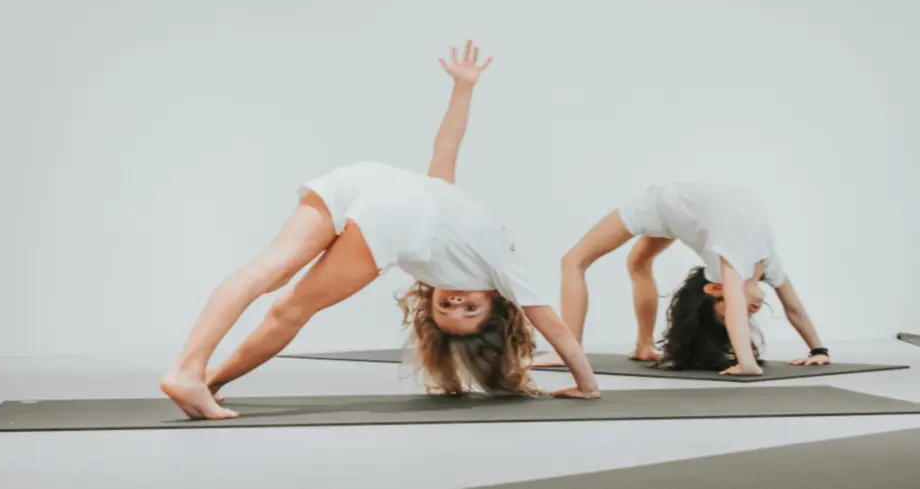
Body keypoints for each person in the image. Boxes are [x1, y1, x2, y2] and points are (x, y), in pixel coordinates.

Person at [161, 41, 600, 419]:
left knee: (271, 270)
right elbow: (557, 329)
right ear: (498, 305)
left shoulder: (455, 237)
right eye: (470, 312)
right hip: (396, 209)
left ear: (431, 306)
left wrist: (462, 88)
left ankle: (194, 371)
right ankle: (196, 374)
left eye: (448, 312)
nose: (458, 305)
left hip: (370, 178)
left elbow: (443, 158)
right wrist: (587, 384)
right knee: (290, 307)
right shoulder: (505, 269)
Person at [532, 182, 829, 375]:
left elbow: (789, 309)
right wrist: (748, 364)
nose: (743, 315)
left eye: (724, 313)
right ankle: (568, 351)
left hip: (684, 212)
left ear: (715, 289)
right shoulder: (751, 259)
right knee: (577, 261)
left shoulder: (742, 263)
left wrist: (818, 351)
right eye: (728, 317)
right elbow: (784, 308)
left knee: (633, 262)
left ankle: (643, 346)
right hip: (664, 203)